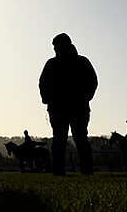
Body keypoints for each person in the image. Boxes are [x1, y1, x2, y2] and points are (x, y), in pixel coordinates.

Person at [39, 33, 98, 176]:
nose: (55, 49)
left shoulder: (56, 63)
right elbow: (43, 84)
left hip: (72, 107)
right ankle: (77, 170)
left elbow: (93, 82)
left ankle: (77, 171)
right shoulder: (80, 62)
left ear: (65, 45)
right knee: (68, 139)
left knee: (74, 139)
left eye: (56, 46)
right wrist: (47, 99)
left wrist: (85, 98)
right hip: (69, 107)